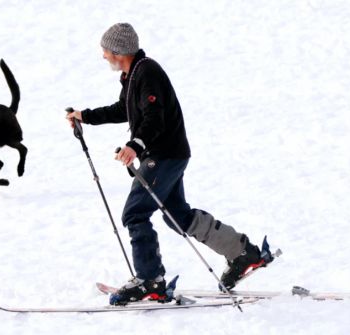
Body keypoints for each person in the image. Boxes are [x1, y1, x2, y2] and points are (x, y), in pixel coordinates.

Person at [66, 23, 272, 305]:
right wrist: (85, 116)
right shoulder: (134, 73)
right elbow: (123, 110)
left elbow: (154, 117)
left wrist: (134, 145)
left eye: (105, 50)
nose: (103, 56)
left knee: (135, 214)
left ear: (118, 51)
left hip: (163, 155)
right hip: (169, 154)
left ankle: (151, 280)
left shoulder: (147, 73)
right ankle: (242, 253)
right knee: (177, 216)